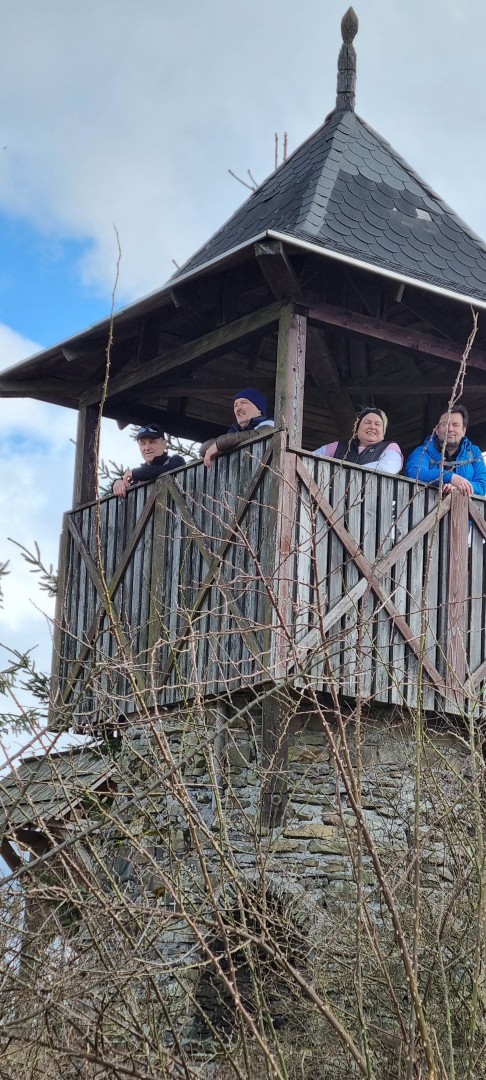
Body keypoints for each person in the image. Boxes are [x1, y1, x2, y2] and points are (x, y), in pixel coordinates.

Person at [405, 405, 486, 497]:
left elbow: (482, 486)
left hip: (465, 506)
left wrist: (458, 488)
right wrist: (449, 477)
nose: (450, 429)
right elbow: (414, 473)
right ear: (436, 430)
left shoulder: (474, 453)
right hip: (427, 505)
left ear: (464, 430)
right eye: (445, 424)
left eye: (455, 425)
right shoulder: (423, 451)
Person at [200, 388, 274, 468]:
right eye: (236, 405)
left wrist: (219, 445)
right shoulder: (233, 431)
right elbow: (204, 449)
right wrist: (221, 444)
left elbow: (256, 435)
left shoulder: (270, 424)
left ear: (259, 410)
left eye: (244, 402)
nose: (238, 408)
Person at [315, 407, 403, 474]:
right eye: (367, 422)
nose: (372, 427)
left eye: (377, 424)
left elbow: (389, 468)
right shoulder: (338, 446)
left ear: (383, 432)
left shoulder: (390, 447)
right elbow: (310, 461)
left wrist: (346, 474)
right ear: (358, 427)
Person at [112, 424, 185, 497]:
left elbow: (158, 471)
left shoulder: (176, 461)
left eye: (152, 442)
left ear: (164, 444)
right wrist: (118, 482)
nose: (147, 448)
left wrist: (134, 473)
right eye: (143, 443)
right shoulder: (138, 476)